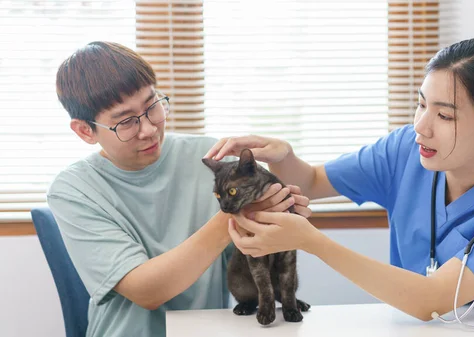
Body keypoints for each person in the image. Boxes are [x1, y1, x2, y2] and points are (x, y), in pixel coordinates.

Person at [204, 38, 474, 324]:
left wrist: (312, 242)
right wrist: (286, 158)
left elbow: (433, 300)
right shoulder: (406, 150)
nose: (421, 126)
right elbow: (313, 181)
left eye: (443, 115)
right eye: (421, 104)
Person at [47, 41, 311, 337]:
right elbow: (146, 291)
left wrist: (280, 215)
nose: (148, 129)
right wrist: (240, 213)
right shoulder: (74, 189)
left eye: (152, 106)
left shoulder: (208, 158)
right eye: (126, 122)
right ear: (85, 130)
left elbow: (253, 255)